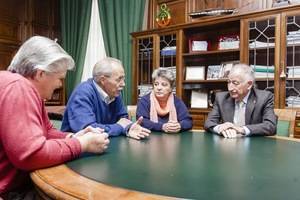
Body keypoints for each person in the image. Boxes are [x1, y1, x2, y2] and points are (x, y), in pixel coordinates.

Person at [0, 36, 110, 198]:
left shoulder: (16, 84)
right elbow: (30, 155)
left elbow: (47, 130)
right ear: (40, 74)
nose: (60, 85)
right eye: (60, 78)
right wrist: (81, 145)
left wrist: (72, 136)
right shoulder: (19, 87)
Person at [61, 57, 150, 140]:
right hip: (77, 151)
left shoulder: (114, 92)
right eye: (119, 79)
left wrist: (128, 128)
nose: (123, 84)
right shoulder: (82, 92)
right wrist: (120, 127)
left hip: (106, 143)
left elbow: (123, 119)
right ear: (103, 80)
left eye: (123, 79)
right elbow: (89, 130)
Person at [204, 63, 277, 138]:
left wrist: (241, 129)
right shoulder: (221, 98)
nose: (230, 88)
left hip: (254, 145)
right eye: (228, 82)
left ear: (249, 85)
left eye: (235, 83)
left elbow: (270, 126)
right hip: (228, 144)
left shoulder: (264, 98)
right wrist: (220, 128)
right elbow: (209, 123)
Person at [136, 68, 193, 133]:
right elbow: (142, 121)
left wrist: (179, 126)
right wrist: (162, 127)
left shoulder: (177, 102)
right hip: (149, 138)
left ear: (171, 88)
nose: (159, 88)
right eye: (156, 84)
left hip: (173, 139)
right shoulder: (144, 101)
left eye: (164, 85)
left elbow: (188, 121)